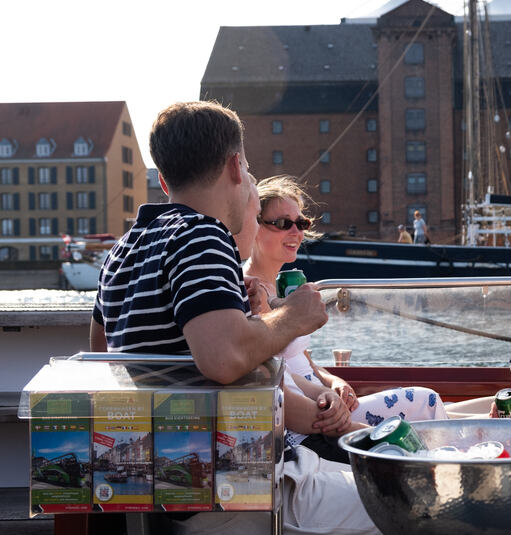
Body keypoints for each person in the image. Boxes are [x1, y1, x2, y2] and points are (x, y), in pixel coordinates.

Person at [91, 101, 379, 535]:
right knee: (415, 505)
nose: (248, 182)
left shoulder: (123, 249)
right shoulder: (203, 234)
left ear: (165, 178)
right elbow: (223, 358)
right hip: (235, 486)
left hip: (163, 490)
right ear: (233, 166)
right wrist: (295, 316)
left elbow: (101, 354)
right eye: (247, 172)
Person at [242, 175, 448, 463]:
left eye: (301, 224)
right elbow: (276, 373)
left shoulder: (284, 284)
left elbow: (303, 360)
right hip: (313, 412)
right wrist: (326, 400)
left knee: (426, 405)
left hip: (326, 398)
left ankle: (445, 466)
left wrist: (333, 380)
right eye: (282, 223)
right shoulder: (248, 292)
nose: (296, 232)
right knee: (426, 401)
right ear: (254, 224)